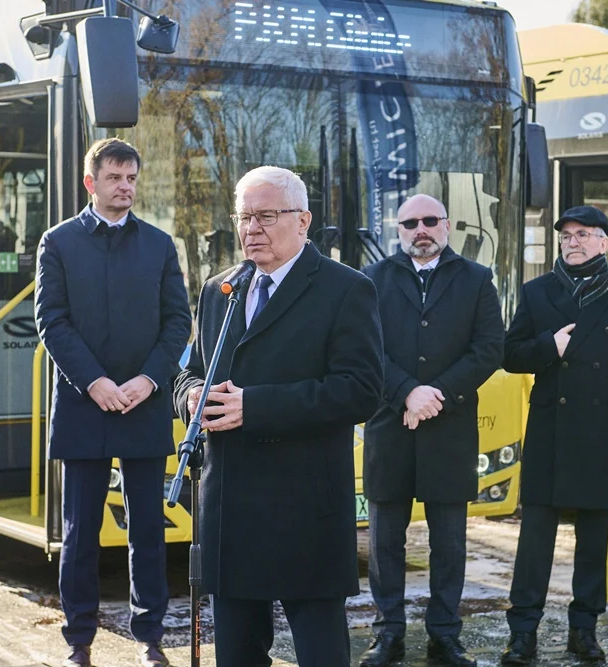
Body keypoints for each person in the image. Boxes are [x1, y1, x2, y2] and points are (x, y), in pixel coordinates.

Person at [172, 166, 384, 666]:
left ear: (303, 220)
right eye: (243, 217)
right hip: (231, 506)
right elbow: (189, 372)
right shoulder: (220, 290)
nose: (252, 229)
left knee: (320, 654)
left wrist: (256, 406)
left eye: (266, 216)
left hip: (305, 506)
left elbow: (361, 391)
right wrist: (192, 397)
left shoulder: (345, 288)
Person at [34, 138, 192, 667]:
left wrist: (149, 380)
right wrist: (94, 383)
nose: (125, 187)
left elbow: (178, 322)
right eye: (114, 177)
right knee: (80, 534)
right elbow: (51, 321)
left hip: (145, 404)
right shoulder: (58, 243)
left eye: (131, 178)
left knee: (148, 530)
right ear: (91, 182)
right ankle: (78, 641)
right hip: (84, 407)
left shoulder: (160, 245)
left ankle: (150, 639)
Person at [499, 205, 608, 665]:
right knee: (534, 541)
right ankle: (522, 632)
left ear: (604, 241)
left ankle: (584, 629)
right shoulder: (537, 290)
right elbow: (510, 355)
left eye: (583, 234)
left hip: (605, 432)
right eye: (566, 236)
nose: (573, 242)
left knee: (594, 541)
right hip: (550, 431)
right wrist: (551, 346)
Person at [357, 195, 503, 667]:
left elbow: (489, 349)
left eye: (429, 220)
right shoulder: (372, 280)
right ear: (398, 230)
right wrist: (406, 393)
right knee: (384, 543)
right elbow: (363, 349)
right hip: (390, 427)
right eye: (410, 223)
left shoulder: (477, 279)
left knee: (450, 544)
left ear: (446, 225)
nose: (420, 229)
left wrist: (434, 395)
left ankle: (445, 634)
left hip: (449, 429)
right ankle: (388, 634)